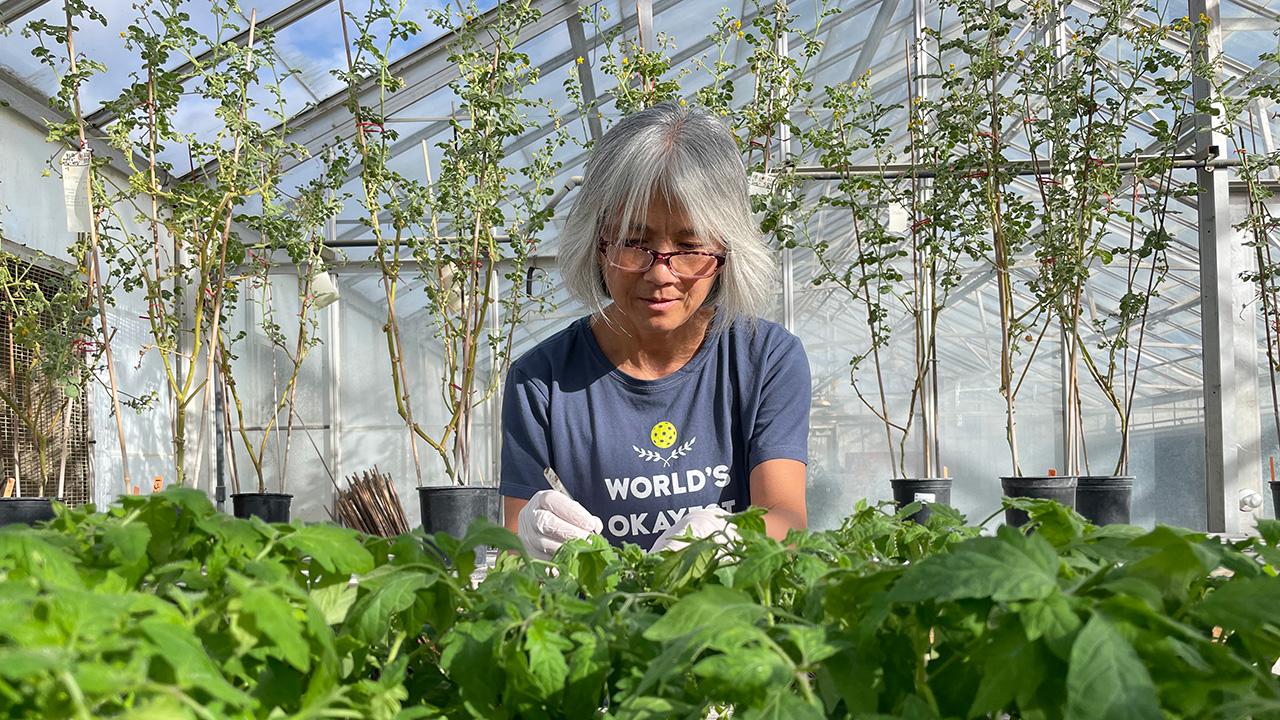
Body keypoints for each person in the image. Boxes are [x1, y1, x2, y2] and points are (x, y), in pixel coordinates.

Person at [499, 101, 811, 560]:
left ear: (727, 249)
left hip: (727, 618)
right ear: (597, 242)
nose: (661, 274)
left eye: (690, 247)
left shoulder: (765, 359)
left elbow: (786, 514)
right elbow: (515, 542)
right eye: (633, 243)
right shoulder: (541, 382)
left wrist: (730, 536)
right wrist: (529, 539)